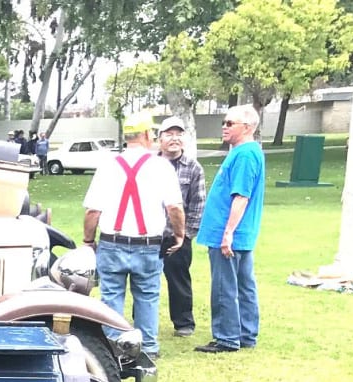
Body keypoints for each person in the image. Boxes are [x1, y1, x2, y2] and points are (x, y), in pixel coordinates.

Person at [82, 115, 184, 361]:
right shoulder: (161, 167)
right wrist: (179, 235)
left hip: (111, 242)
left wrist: (88, 240)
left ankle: (113, 346)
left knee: (111, 296)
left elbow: (93, 211)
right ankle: (147, 348)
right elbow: (174, 208)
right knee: (147, 296)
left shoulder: (108, 165)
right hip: (147, 244)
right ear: (148, 135)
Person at [195, 105, 266, 354]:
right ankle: (246, 333)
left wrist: (227, 233)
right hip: (241, 234)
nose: (224, 127)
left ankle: (226, 337)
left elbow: (241, 196)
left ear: (247, 127)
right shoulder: (245, 152)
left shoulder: (245, 155)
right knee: (245, 285)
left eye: (229, 123)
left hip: (229, 234)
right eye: (224, 122)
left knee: (225, 286)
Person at [157, 116, 205, 337]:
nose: (174, 138)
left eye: (178, 134)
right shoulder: (151, 165)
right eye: (169, 134)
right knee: (144, 281)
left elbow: (198, 204)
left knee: (180, 281)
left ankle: (184, 323)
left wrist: (186, 236)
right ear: (160, 139)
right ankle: (141, 321)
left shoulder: (194, 168)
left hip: (178, 237)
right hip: (151, 234)